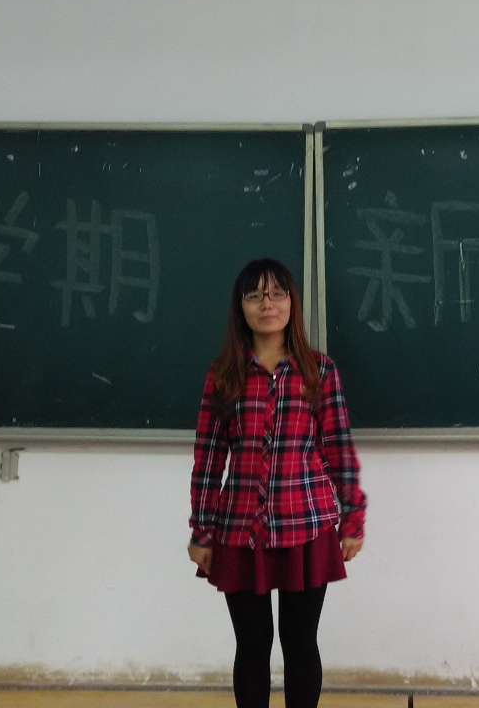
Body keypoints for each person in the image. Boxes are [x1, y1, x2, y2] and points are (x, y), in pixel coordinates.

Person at [188, 258, 367, 708]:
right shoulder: (223, 375)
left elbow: (339, 449)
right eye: (254, 295)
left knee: (300, 642)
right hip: (239, 529)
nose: (267, 304)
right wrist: (201, 531)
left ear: (292, 302)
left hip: (306, 524)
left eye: (276, 294)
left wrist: (352, 519)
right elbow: (208, 459)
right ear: (240, 306)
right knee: (252, 645)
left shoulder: (319, 371)